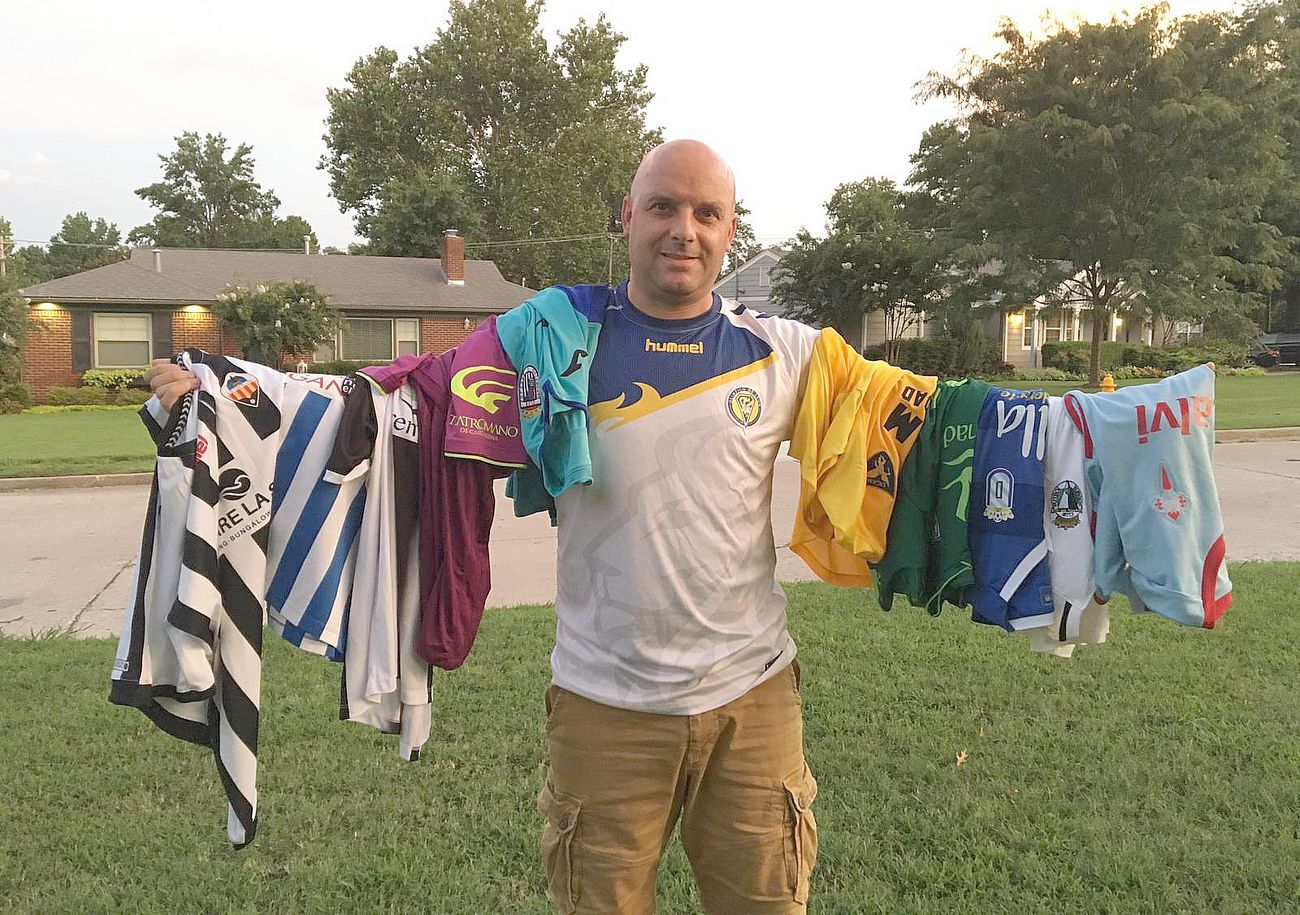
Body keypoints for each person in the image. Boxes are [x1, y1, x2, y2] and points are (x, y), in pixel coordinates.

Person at [146, 139, 824, 914]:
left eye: (707, 213)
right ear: (628, 216)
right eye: (664, 206)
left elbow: (908, 419)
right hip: (605, 707)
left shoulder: (781, 353)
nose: (684, 230)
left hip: (755, 701)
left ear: (730, 229)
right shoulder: (554, 336)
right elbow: (404, 401)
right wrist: (228, 394)